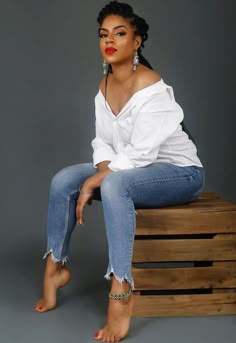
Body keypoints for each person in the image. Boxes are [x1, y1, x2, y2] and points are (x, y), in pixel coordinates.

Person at [35, 1, 205, 342]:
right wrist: (95, 173)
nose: (109, 40)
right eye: (103, 34)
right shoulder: (105, 84)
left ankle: (122, 288)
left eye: (120, 33)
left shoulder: (150, 85)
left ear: (137, 41)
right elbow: (103, 142)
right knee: (65, 179)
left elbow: (143, 152)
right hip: (133, 167)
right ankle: (56, 267)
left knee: (114, 186)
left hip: (179, 173)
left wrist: (97, 181)